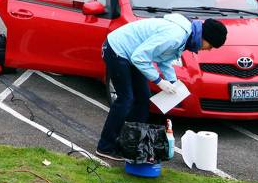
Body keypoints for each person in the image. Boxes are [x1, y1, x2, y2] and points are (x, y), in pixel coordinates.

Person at [96, 14, 227, 160]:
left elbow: (163, 59)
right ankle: (105, 147)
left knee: (143, 99)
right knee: (125, 99)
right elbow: (139, 57)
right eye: (211, 46)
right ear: (205, 38)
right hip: (117, 49)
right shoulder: (175, 36)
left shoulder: (186, 37)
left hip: (132, 54)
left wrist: (172, 82)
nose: (208, 50)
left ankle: (129, 143)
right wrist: (159, 81)